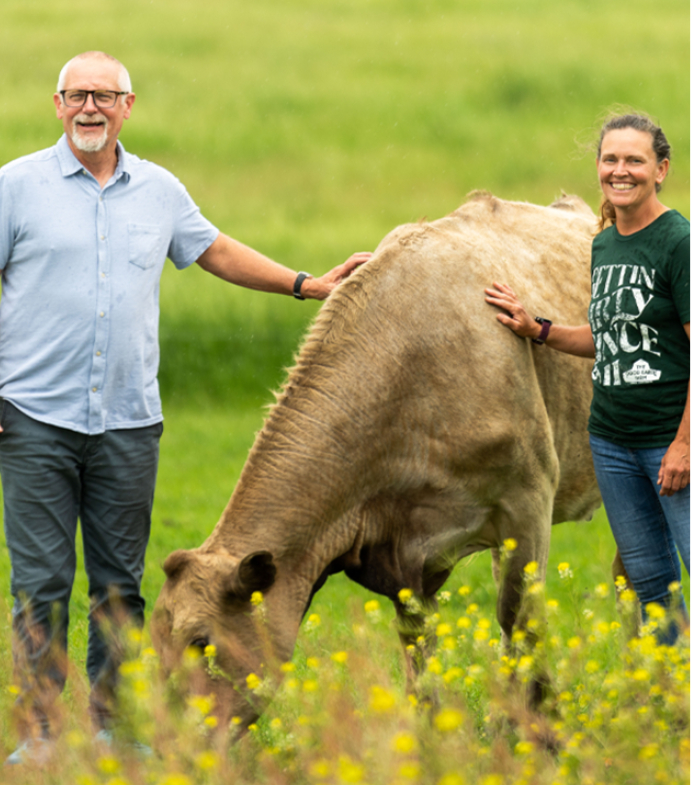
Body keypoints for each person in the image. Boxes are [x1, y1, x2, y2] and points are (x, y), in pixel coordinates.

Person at [0, 50, 370, 763]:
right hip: (33, 419)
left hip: (128, 422)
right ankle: (43, 736)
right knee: (41, 580)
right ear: (56, 103)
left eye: (104, 96)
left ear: (127, 108)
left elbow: (216, 250)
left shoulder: (159, 190)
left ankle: (112, 728)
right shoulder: (16, 187)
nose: (89, 108)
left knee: (118, 584)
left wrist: (306, 284)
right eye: (77, 95)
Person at [485, 112, 689, 645]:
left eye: (635, 161)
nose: (621, 171)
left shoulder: (679, 243)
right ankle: (675, 701)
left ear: (661, 169)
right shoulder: (604, 245)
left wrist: (684, 444)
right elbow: (608, 338)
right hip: (613, 444)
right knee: (651, 585)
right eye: (611, 160)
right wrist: (538, 328)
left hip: (670, 441)